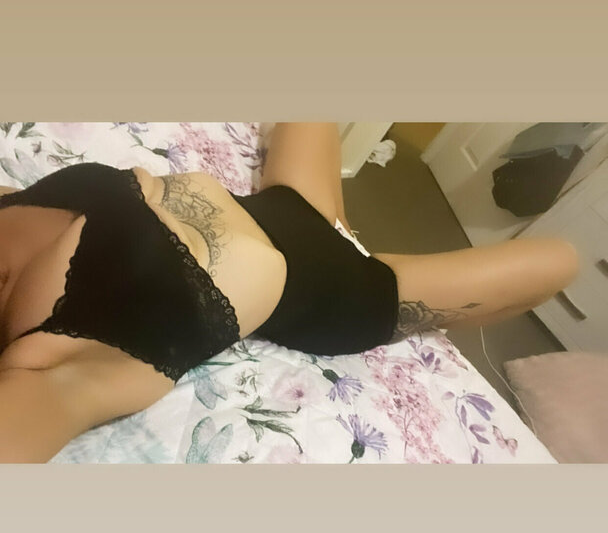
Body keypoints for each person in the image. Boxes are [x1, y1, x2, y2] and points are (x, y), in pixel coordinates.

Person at [0, 122, 579, 463]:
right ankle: (364, 254)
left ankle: (343, 229)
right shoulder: (47, 364)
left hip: (284, 207)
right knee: (561, 260)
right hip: (341, 290)